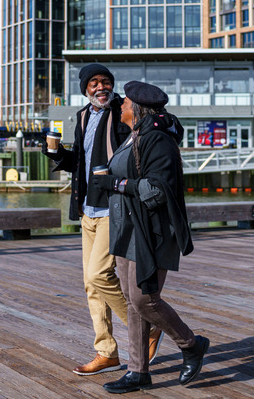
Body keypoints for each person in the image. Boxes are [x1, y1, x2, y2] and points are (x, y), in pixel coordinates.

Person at [42, 65, 164, 376]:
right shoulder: (83, 116)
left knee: (98, 275)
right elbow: (80, 164)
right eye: (94, 83)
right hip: (87, 210)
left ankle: (147, 327)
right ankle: (106, 351)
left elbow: (137, 148)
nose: (101, 87)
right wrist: (57, 155)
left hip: (114, 207)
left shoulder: (122, 112)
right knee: (90, 285)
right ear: (85, 89)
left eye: (106, 82)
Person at [92, 81, 209, 394]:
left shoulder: (157, 139)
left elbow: (156, 191)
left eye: (125, 103)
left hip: (153, 229)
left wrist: (116, 185)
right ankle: (138, 371)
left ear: (137, 107)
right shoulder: (134, 136)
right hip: (128, 228)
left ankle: (191, 344)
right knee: (132, 300)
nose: (121, 106)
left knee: (145, 298)